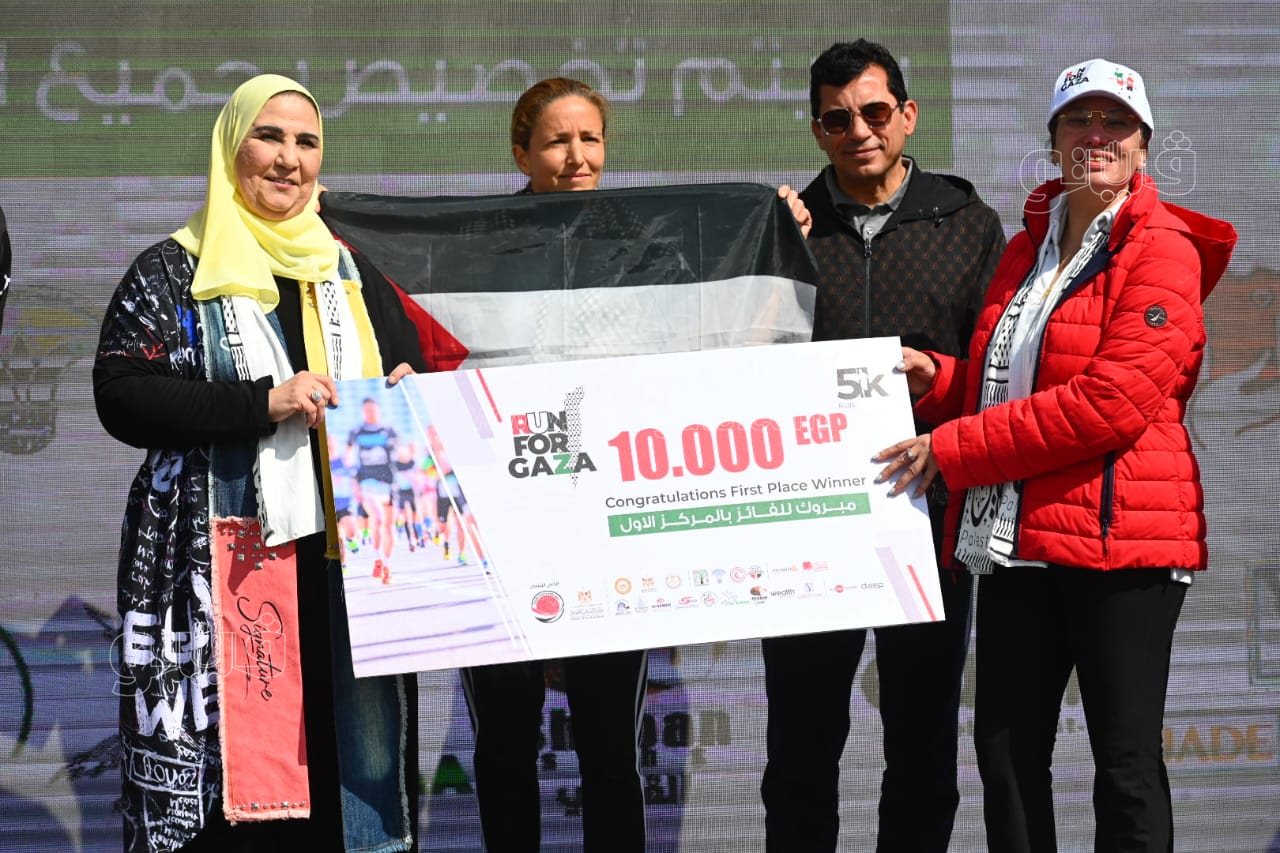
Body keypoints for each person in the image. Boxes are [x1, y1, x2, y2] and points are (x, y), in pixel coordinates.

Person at [874, 59, 1237, 852]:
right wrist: (944, 381)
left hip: (1123, 546)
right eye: (1079, 119)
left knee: (1125, 767)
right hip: (1023, 544)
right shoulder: (1026, 248)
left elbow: (1108, 404)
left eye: (1116, 122)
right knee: (1005, 759)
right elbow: (1019, 381)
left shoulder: (1164, 250)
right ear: (1054, 141)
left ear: (1143, 145)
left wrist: (953, 446)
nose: (1096, 135)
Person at [458, 76, 811, 853]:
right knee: (505, 740)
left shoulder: (644, 249)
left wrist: (775, 236)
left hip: (607, 530)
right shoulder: (476, 248)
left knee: (609, 744)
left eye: (590, 138)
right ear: (520, 152)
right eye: (556, 140)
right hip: (499, 529)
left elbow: (709, 350)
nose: (577, 156)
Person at [94, 74, 425, 853]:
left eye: (306, 142)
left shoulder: (351, 272)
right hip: (220, 569)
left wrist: (409, 393)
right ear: (230, 147)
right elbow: (122, 394)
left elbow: (406, 370)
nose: (288, 159)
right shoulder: (174, 271)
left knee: (344, 774)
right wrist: (262, 402)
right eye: (268, 136)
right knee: (232, 793)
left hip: (344, 571)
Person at [759, 40, 1006, 853]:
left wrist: (937, 382)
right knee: (800, 748)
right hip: (806, 519)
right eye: (837, 119)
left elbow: (1000, 372)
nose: (858, 131)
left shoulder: (968, 222)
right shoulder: (782, 228)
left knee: (923, 742)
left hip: (926, 514)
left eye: (873, 112)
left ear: (908, 115)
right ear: (817, 131)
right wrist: (770, 258)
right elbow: (736, 363)